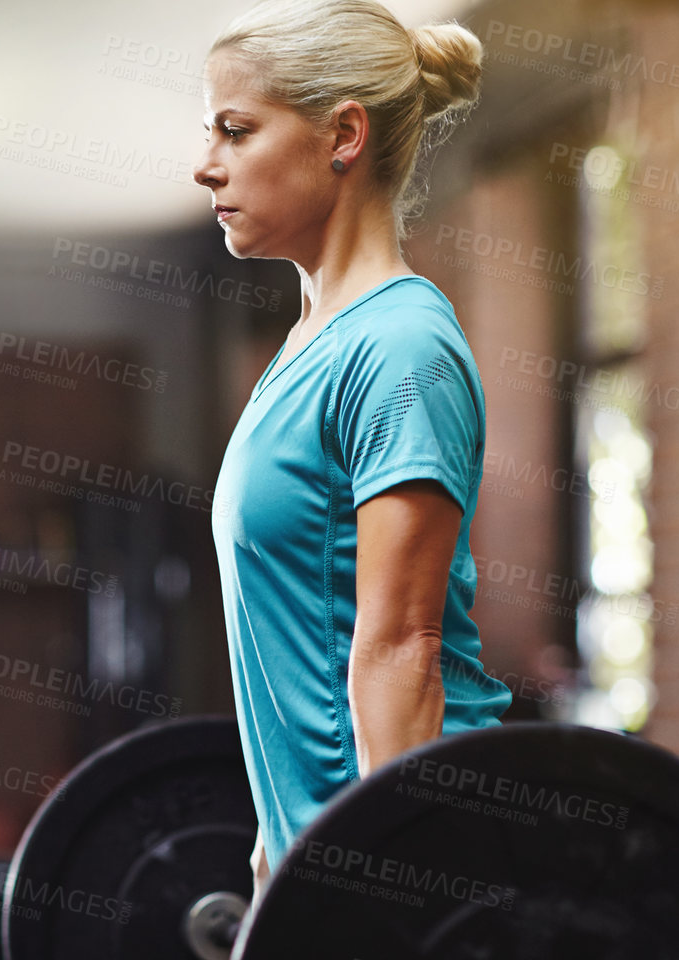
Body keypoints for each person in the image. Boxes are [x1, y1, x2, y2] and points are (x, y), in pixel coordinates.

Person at [195, 0, 513, 893]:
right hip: (321, 848)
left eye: (235, 129)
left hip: (412, 860)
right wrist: (273, 841)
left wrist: (386, 907)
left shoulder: (399, 347)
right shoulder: (310, 344)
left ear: (342, 133)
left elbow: (401, 649)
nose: (203, 164)